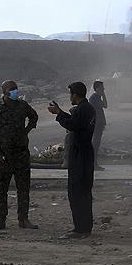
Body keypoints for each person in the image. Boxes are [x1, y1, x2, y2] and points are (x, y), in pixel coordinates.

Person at [0, 80, 39, 231]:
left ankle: (23, 219)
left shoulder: (22, 106)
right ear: (4, 92)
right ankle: (0, 219)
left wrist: (26, 131)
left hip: (21, 154)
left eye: (16, 88)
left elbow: (34, 116)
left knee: (23, 188)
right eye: (12, 89)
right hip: (4, 156)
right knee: (1, 189)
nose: (15, 91)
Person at [48, 82, 96, 239]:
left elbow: (72, 124)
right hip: (85, 153)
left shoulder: (83, 109)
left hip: (80, 155)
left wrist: (58, 114)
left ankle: (80, 229)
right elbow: (75, 122)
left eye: (70, 94)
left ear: (75, 94)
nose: (70, 97)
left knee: (77, 192)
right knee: (84, 192)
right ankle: (85, 227)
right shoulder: (87, 108)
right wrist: (60, 112)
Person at [88, 80, 109, 169]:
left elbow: (105, 105)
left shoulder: (97, 97)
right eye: (102, 88)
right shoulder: (93, 98)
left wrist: (103, 95)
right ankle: (93, 163)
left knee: (96, 144)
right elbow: (103, 106)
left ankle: (94, 163)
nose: (103, 89)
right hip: (96, 123)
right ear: (97, 89)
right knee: (95, 144)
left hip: (99, 123)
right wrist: (103, 95)